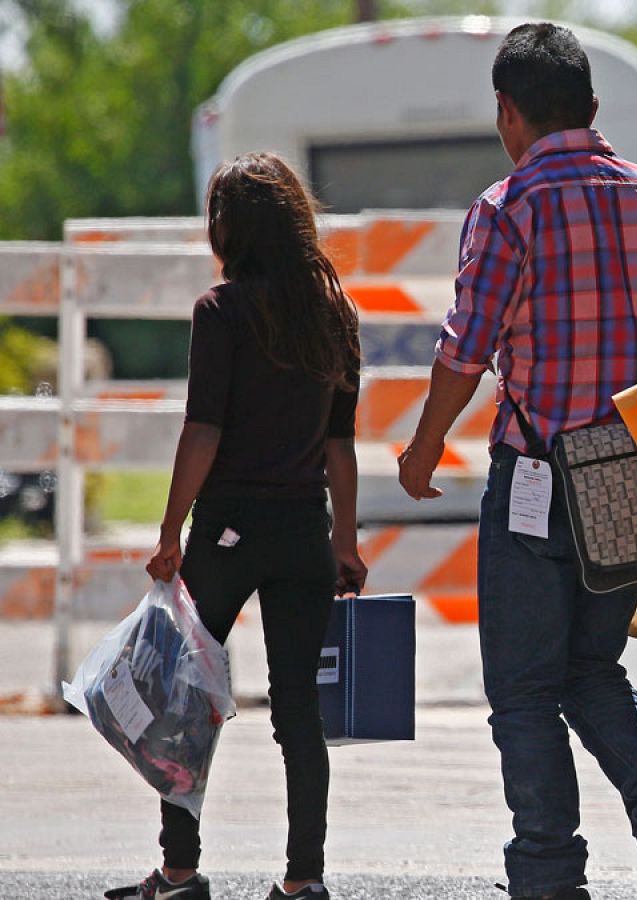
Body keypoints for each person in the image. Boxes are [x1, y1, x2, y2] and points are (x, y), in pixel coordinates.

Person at [396, 23, 637, 900]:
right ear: (593, 107)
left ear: (508, 112)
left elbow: (465, 352)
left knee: (525, 689)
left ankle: (548, 874)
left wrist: (424, 446)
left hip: (539, 478)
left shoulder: (509, 208)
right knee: (592, 668)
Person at [115, 152, 366, 900]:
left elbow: (204, 432)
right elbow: (340, 447)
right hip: (302, 536)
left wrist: (168, 532)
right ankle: (303, 880)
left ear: (231, 228)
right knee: (298, 713)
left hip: (226, 533)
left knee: (184, 697)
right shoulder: (334, 314)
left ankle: (180, 870)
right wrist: (345, 542)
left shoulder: (220, 313)